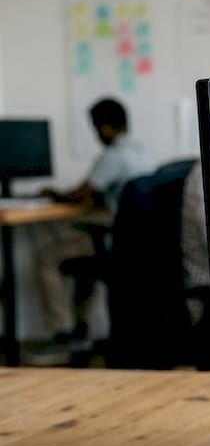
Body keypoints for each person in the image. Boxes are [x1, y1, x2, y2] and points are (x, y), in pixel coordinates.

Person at [35, 97, 152, 346]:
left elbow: (81, 193)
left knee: (46, 256)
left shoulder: (113, 156)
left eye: (96, 128)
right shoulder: (143, 152)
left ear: (105, 127)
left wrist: (54, 194)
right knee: (84, 262)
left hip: (115, 239)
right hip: (139, 241)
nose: (96, 134)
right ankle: (80, 326)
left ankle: (64, 330)